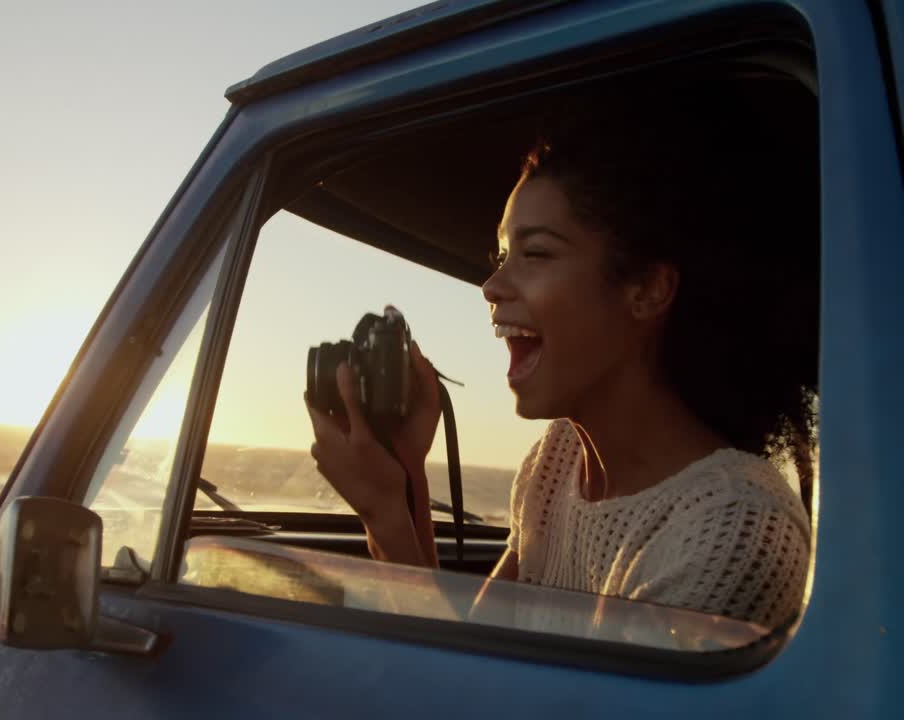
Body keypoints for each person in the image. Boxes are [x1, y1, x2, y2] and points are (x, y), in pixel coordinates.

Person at [307, 81, 818, 628]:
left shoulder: (734, 531)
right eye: (502, 254)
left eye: (536, 253)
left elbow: (462, 699)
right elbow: (473, 655)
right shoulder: (555, 463)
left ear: (646, 289)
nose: (492, 285)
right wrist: (404, 474)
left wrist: (386, 514)